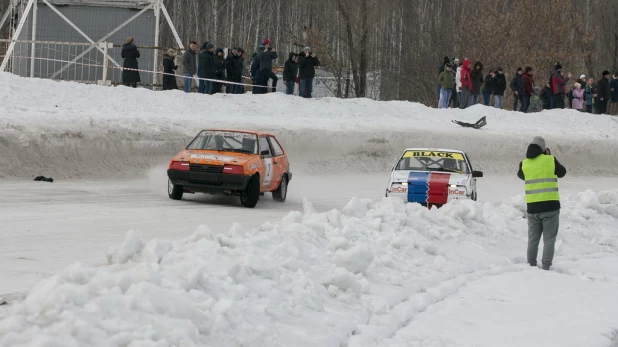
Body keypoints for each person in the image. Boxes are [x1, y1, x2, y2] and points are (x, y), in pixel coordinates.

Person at [517, 136, 567, 270]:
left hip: (533, 208)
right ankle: (546, 267)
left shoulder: (524, 163)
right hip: (551, 207)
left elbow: (521, 176)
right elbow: (562, 172)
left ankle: (531, 265)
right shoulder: (550, 160)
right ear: (543, 149)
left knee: (533, 240)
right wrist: (548, 157)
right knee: (549, 240)